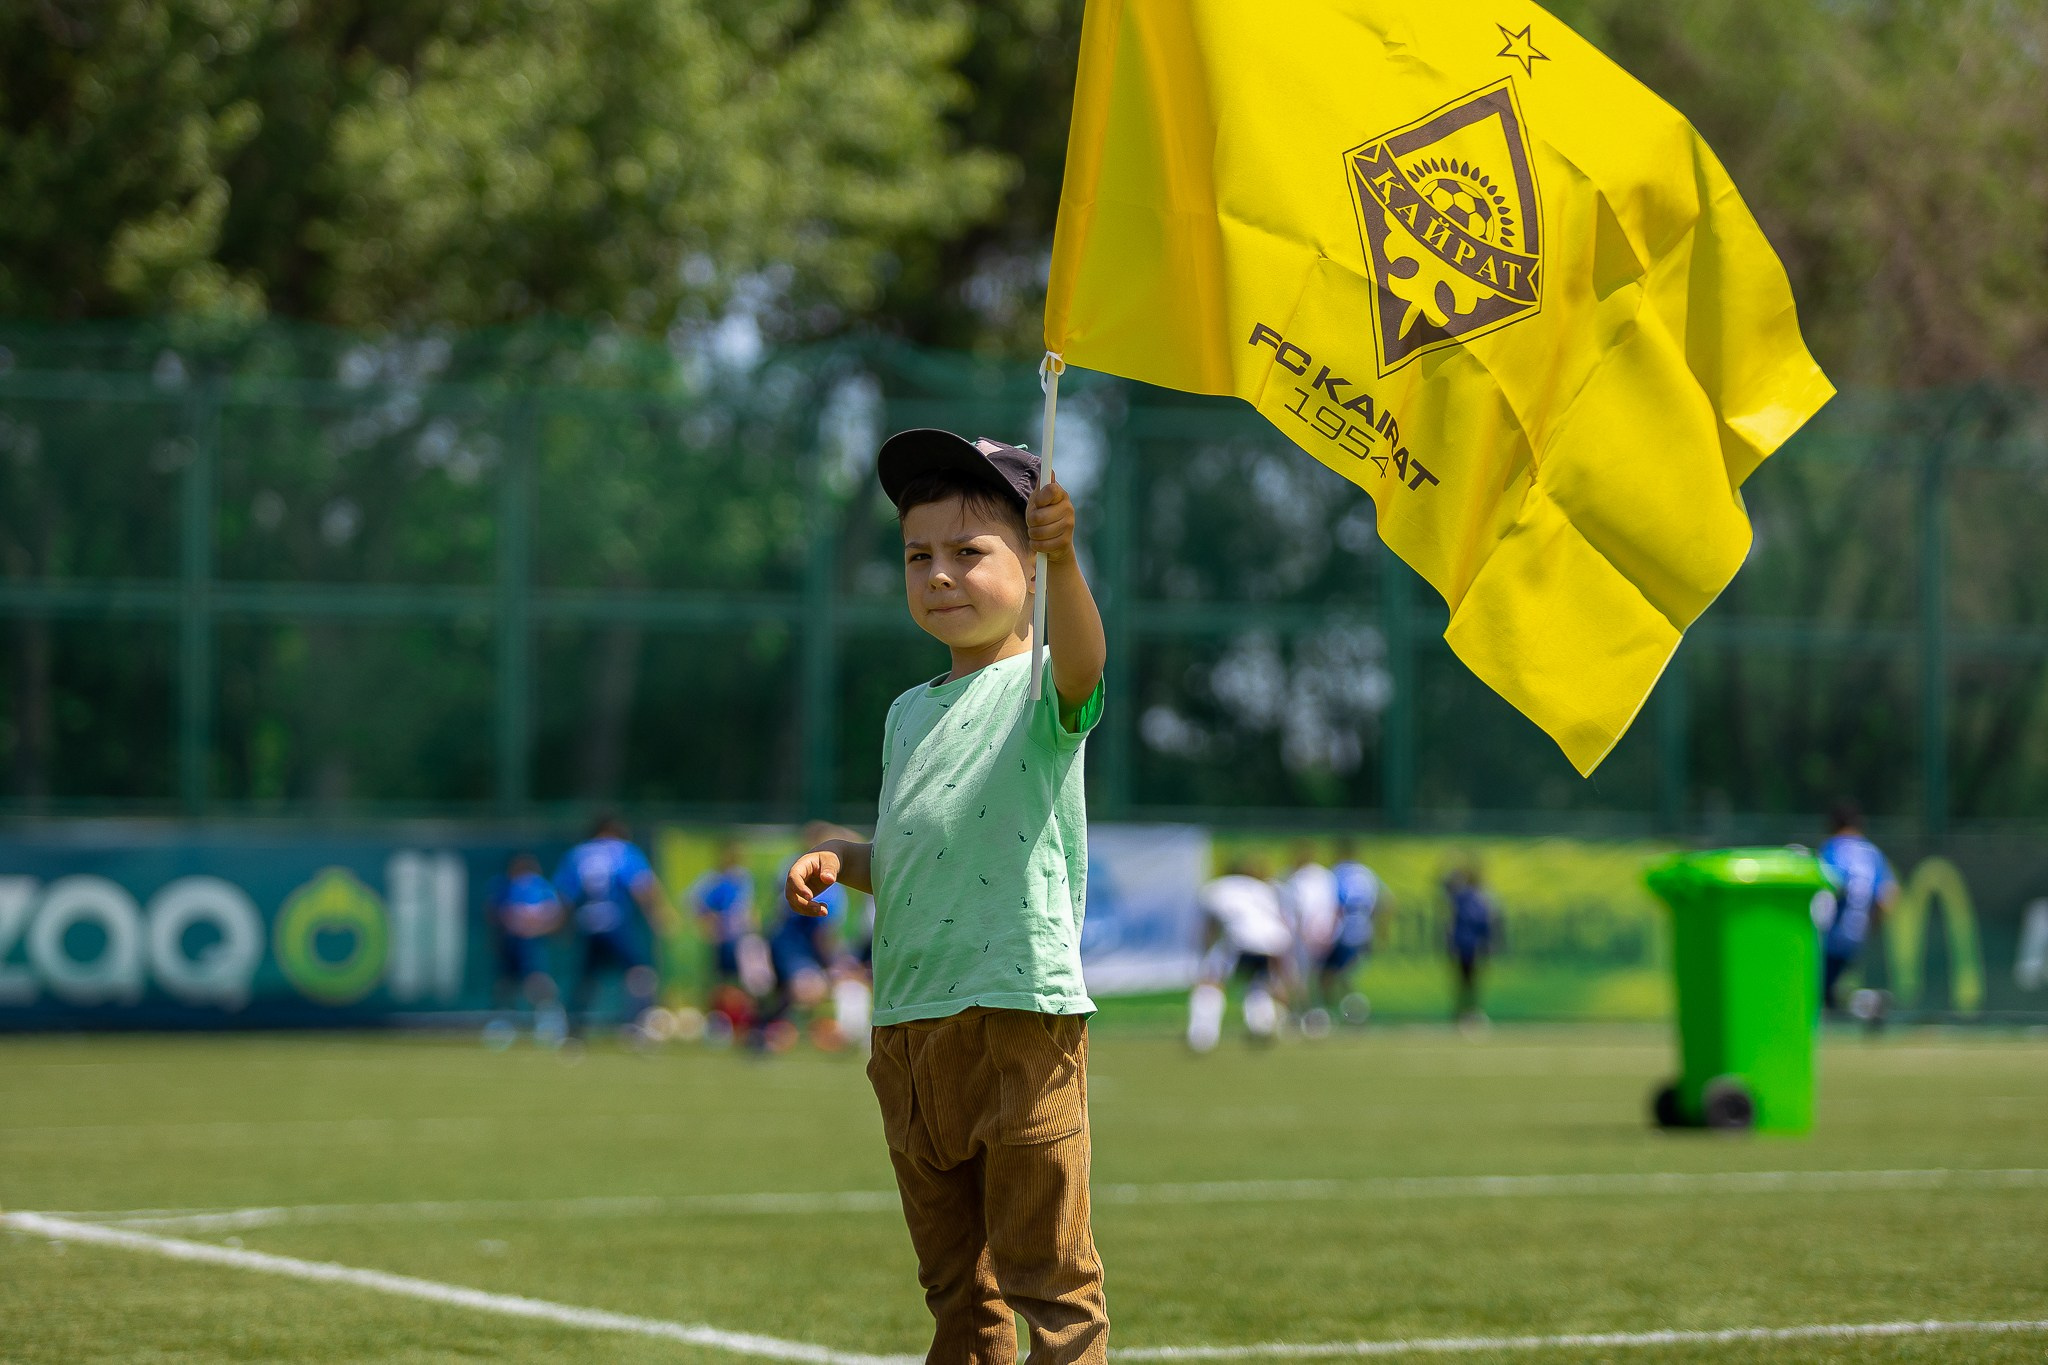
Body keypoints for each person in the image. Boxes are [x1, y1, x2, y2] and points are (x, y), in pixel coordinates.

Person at [784, 428, 1110, 1365]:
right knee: (955, 1287)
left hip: (1018, 1011)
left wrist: (1068, 559)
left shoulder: (1046, 684)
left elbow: (1087, 660)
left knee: (1050, 1279)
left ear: (1030, 568)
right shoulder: (906, 711)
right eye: (917, 555)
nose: (939, 575)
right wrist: (844, 857)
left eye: (970, 552)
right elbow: (917, 853)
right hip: (909, 1027)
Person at [553, 813, 674, 1040]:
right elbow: (642, 885)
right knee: (639, 971)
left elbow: (564, 895)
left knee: (586, 978)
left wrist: (561, 926)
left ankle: (573, 1027)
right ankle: (637, 1023)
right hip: (614, 922)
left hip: (588, 923)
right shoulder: (622, 850)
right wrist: (659, 914)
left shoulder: (578, 853)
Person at [1189, 860, 1296, 1051]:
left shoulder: (1216, 888)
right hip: (1275, 940)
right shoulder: (1263, 888)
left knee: (1211, 980)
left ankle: (1203, 1033)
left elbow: (1210, 927)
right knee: (1258, 981)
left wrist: (1205, 953)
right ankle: (1262, 1023)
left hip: (1242, 938)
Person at [1817, 801, 1898, 1015]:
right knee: (1831, 986)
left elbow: (1827, 888)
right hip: (1857, 933)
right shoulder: (1872, 853)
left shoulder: (1833, 848)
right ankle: (1868, 1002)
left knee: (1818, 987)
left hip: (1831, 933)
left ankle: (1867, 1003)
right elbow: (1888, 895)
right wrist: (1870, 927)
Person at [483, 853, 567, 1048]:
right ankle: (502, 1026)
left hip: (529, 944)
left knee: (537, 982)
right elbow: (494, 912)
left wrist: (535, 927)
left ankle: (550, 1022)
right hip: (510, 942)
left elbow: (554, 914)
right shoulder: (504, 886)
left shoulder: (539, 886)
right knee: (505, 984)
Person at [1325, 839, 1391, 1024]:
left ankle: (1330, 1014)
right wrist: (1381, 931)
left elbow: (1331, 905)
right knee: (1344, 974)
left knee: (1328, 974)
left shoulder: (1336, 873)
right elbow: (1386, 901)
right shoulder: (1367, 874)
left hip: (1341, 932)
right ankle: (1351, 1012)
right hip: (1363, 932)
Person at [1283, 842, 1339, 1033]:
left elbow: (1301, 909)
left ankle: (1305, 1015)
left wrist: (1300, 932)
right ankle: (1315, 1014)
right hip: (1324, 932)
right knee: (1315, 977)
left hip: (1304, 934)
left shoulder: (1298, 878)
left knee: (1301, 976)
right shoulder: (1325, 876)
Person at [1444, 860, 1497, 1027]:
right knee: (1464, 982)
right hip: (1463, 945)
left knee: (1471, 982)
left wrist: (1487, 943)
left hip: (1473, 946)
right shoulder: (1463, 897)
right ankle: (1463, 1013)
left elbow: (1485, 924)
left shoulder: (1479, 898)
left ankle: (1470, 1013)